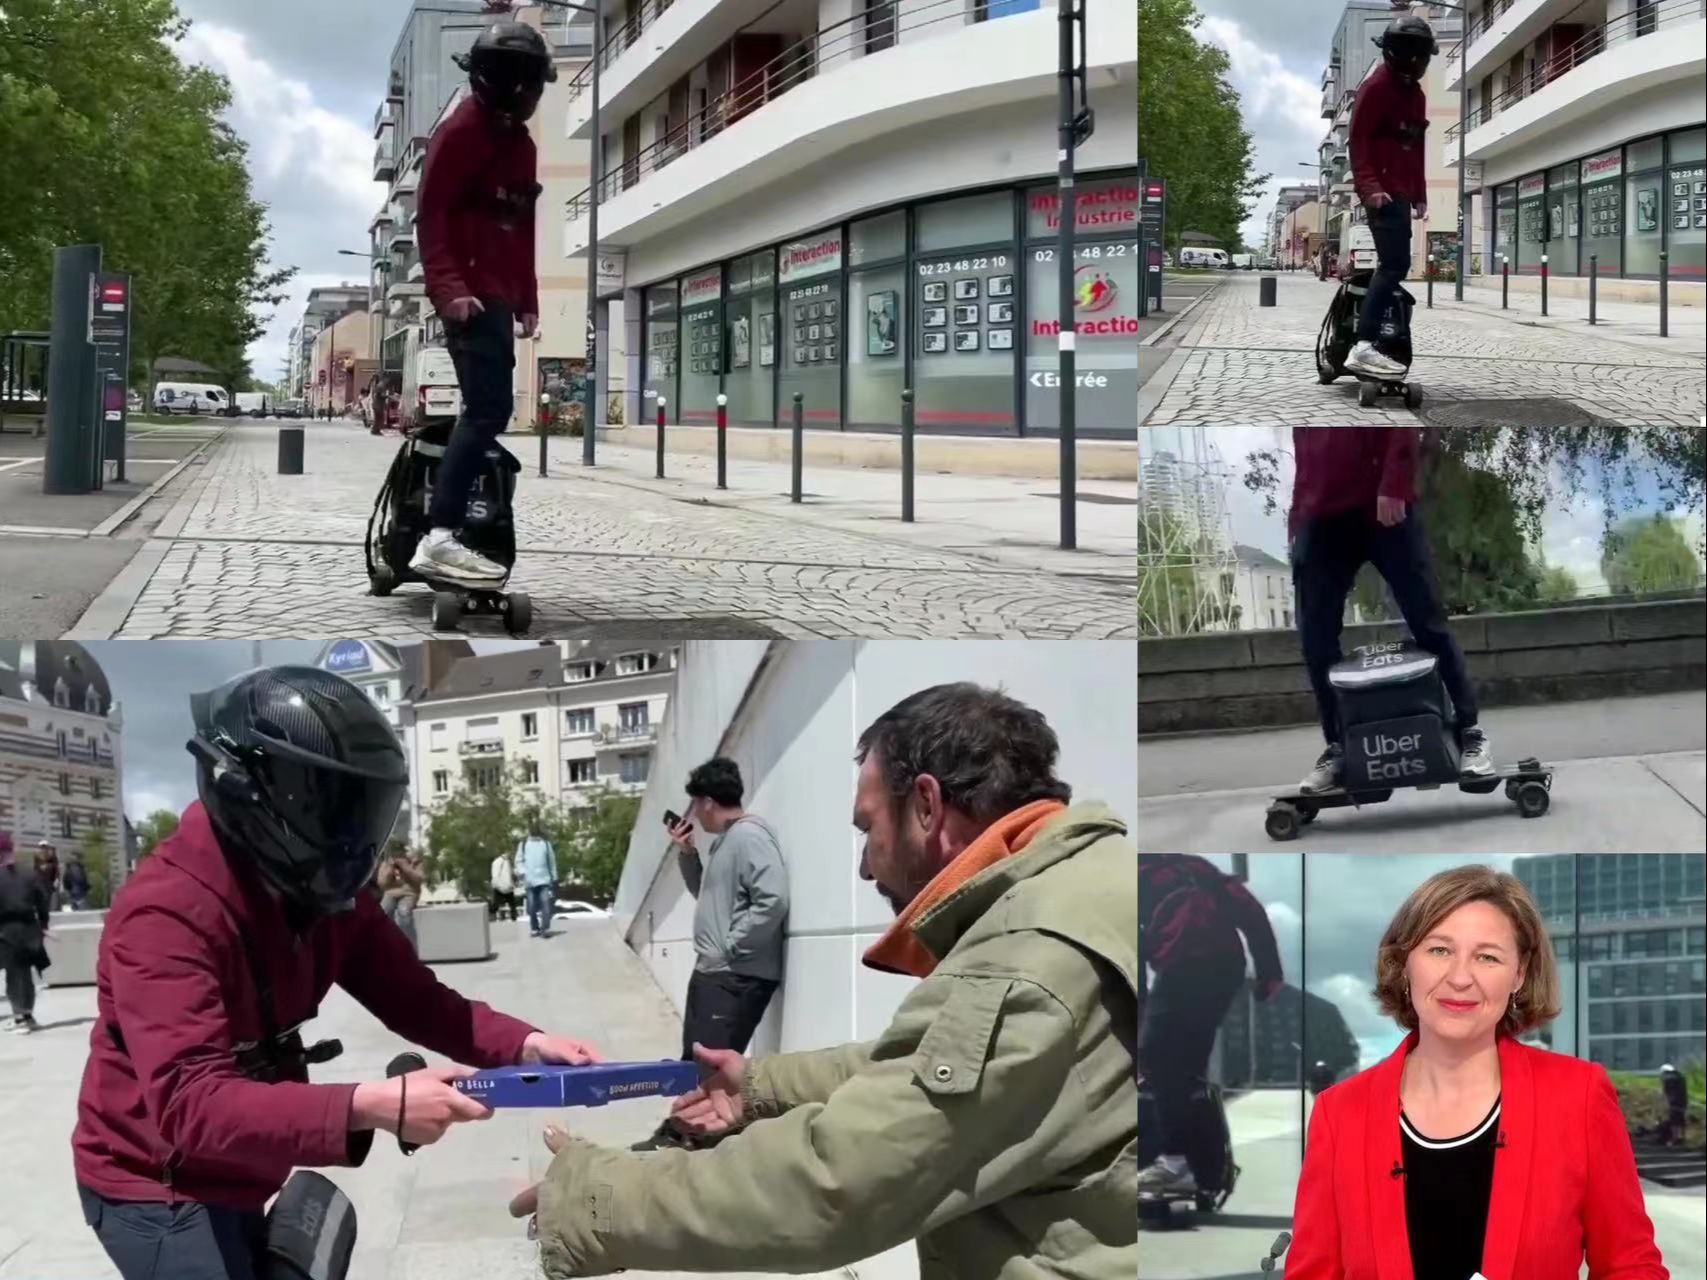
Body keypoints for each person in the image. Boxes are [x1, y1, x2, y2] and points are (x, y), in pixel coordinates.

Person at [510, 682, 1137, 1278]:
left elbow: (838, 1182)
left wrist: (596, 1198)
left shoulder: (1024, 966)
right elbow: (928, 1061)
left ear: (926, 804)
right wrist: (761, 1085)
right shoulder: (1089, 884)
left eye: (868, 829)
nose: (865, 867)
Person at [71, 666, 601, 1280]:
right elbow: (191, 1104)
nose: (351, 838)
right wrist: (370, 1104)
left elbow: (418, 1000)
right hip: (156, 1181)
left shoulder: (319, 885)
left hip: (243, 1162)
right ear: (254, 797)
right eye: (330, 808)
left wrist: (528, 1044)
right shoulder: (163, 913)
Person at [1286, 866, 1666, 1280]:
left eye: (1487, 957)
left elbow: (1630, 1266)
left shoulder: (1578, 1095)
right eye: (1439, 950)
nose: (1461, 978)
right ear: (1404, 964)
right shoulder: (1339, 1113)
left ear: (1518, 974)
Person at [409, 20, 553, 585]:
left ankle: (448, 531)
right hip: (468, 294)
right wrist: (450, 290)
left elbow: (518, 225)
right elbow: (432, 215)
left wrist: (527, 298)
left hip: (495, 293)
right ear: (515, 82)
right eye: (535, 84)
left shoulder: (520, 145)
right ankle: (439, 537)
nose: (537, 96)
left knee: (491, 411)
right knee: (487, 410)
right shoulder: (460, 131)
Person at [1290, 427, 1492, 793]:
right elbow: (1305, 456)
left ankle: (1470, 733)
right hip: (1318, 517)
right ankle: (1338, 747)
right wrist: (1297, 521)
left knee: (1428, 623)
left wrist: (1394, 483)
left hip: (1381, 503)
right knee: (1315, 639)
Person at [1136, 854, 1283, 1199]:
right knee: (1185, 1070)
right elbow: (1251, 911)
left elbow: (1134, 956)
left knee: (1156, 1060)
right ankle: (1201, 1167)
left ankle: (1176, 1164)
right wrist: (1269, 970)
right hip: (1225, 968)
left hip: (1185, 964)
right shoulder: (1196, 869)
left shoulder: (1140, 876)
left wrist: (1141, 1022)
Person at [666, 757, 790, 1061]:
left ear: (708, 802)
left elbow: (773, 899)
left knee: (709, 1074)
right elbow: (707, 894)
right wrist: (687, 853)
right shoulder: (726, 841)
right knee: (693, 1066)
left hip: (734, 977)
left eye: (695, 804)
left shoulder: (749, 837)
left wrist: (732, 946)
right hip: (714, 973)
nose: (694, 813)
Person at [1344, 13, 1435, 380]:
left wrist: (1420, 193)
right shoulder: (1376, 87)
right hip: (1380, 192)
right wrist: (1370, 188)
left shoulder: (1415, 95)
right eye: (1414, 54)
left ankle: (1372, 341)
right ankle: (1363, 346)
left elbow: (1414, 146)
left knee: (1396, 266)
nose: (1418, 62)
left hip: (1399, 192)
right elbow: (1358, 141)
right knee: (1394, 266)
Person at [1, 833, 51, 1033]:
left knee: (14, 974)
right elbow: (42, 900)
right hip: (30, 928)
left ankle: (21, 1018)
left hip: (6, 930)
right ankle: (27, 1016)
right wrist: (44, 924)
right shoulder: (30, 873)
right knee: (26, 974)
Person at [377, 839, 425, 951]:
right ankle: (386, 948)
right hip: (390, 893)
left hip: (409, 893)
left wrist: (405, 867)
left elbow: (419, 879)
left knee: (403, 911)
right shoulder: (386, 863)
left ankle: (410, 950)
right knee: (382, 912)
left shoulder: (415, 861)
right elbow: (381, 883)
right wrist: (390, 869)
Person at [517, 821, 557, 937]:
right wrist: (523, 873)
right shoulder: (524, 844)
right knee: (531, 906)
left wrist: (554, 876)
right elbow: (519, 861)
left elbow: (551, 861)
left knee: (545, 904)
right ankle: (535, 928)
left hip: (544, 880)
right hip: (530, 881)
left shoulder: (545, 844)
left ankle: (545, 929)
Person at [1660, 1063, 1688, 1147]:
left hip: (1674, 1103)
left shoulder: (1668, 1079)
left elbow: (1668, 1092)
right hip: (1683, 1102)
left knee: (1674, 1121)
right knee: (1681, 1120)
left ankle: (1675, 1138)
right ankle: (1682, 1137)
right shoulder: (1681, 1077)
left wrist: (1668, 1102)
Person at [490, 847, 519, 922]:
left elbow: (511, 873)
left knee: (512, 905)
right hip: (500, 887)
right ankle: (490, 917)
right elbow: (495, 875)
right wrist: (497, 884)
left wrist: (514, 882)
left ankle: (514, 918)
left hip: (508, 887)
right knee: (496, 905)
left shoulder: (508, 861)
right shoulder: (498, 861)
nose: (510, 854)